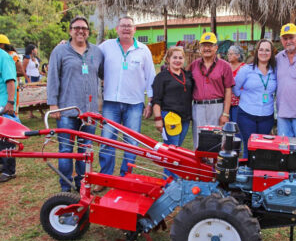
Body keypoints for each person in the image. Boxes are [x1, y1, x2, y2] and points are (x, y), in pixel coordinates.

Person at [97, 16, 155, 190]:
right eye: (123, 26)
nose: (126, 29)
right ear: (117, 29)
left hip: (134, 103)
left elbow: (150, 76)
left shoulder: (144, 50)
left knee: (132, 143)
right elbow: (88, 53)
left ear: (135, 29)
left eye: (129, 26)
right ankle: (104, 178)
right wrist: (66, 44)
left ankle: (126, 178)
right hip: (110, 103)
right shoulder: (105, 47)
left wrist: (150, 101)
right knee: (107, 140)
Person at [47, 15, 104, 192]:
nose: (81, 31)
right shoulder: (60, 51)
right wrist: (53, 104)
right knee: (65, 150)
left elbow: (102, 76)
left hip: (89, 112)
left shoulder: (97, 52)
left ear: (88, 32)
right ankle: (65, 186)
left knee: (85, 151)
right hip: (66, 110)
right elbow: (53, 78)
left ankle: (82, 184)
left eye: (84, 28)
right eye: (77, 28)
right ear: (71, 31)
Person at [152, 46, 193, 178]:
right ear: (168, 59)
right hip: (170, 117)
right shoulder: (161, 77)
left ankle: (171, 180)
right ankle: (170, 183)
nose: (177, 60)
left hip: (185, 117)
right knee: (172, 152)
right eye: (174, 57)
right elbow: (156, 100)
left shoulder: (187, 75)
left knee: (177, 150)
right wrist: (158, 119)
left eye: (180, 58)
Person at [189, 32, 234, 149]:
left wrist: (225, 113)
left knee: (216, 142)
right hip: (198, 107)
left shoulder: (225, 66)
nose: (207, 48)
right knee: (199, 142)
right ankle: (200, 166)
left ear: (216, 47)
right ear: (200, 48)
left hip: (217, 107)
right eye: (204, 45)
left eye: (210, 45)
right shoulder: (193, 65)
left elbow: (228, 90)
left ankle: (213, 167)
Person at [233, 39, 277, 158]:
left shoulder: (275, 71)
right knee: (249, 148)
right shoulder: (246, 70)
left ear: (271, 53)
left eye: (267, 50)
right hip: (247, 115)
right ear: (257, 52)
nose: (264, 52)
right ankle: (247, 175)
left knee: (262, 149)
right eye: (261, 49)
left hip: (267, 116)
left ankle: (258, 175)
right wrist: (245, 97)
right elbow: (235, 88)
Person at [0, 48, 17, 182]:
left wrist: (10, 102)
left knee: (6, 138)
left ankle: (9, 170)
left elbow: (10, 80)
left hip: (3, 103)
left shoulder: (4, 57)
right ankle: (2, 165)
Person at [227, 45, 246, 123]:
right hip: (227, 102)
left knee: (237, 125)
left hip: (239, 102)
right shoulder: (226, 66)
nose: (229, 56)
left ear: (238, 55)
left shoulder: (244, 68)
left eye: (231, 54)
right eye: (228, 54)